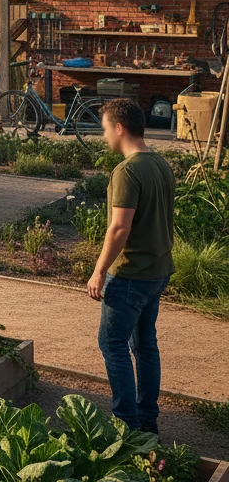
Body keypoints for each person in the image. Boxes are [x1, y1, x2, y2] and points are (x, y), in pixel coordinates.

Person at [89, 99, 175, 435]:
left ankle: (126, 425)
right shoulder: (160, 164)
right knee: (145, 346)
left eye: (105, 129)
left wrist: (99, 271)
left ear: (119, 128)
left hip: (130, 275)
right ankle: (147, 422)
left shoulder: (127, 171)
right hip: (158, 271)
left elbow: (119, 228)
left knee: (113, 344)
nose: (104, 136)